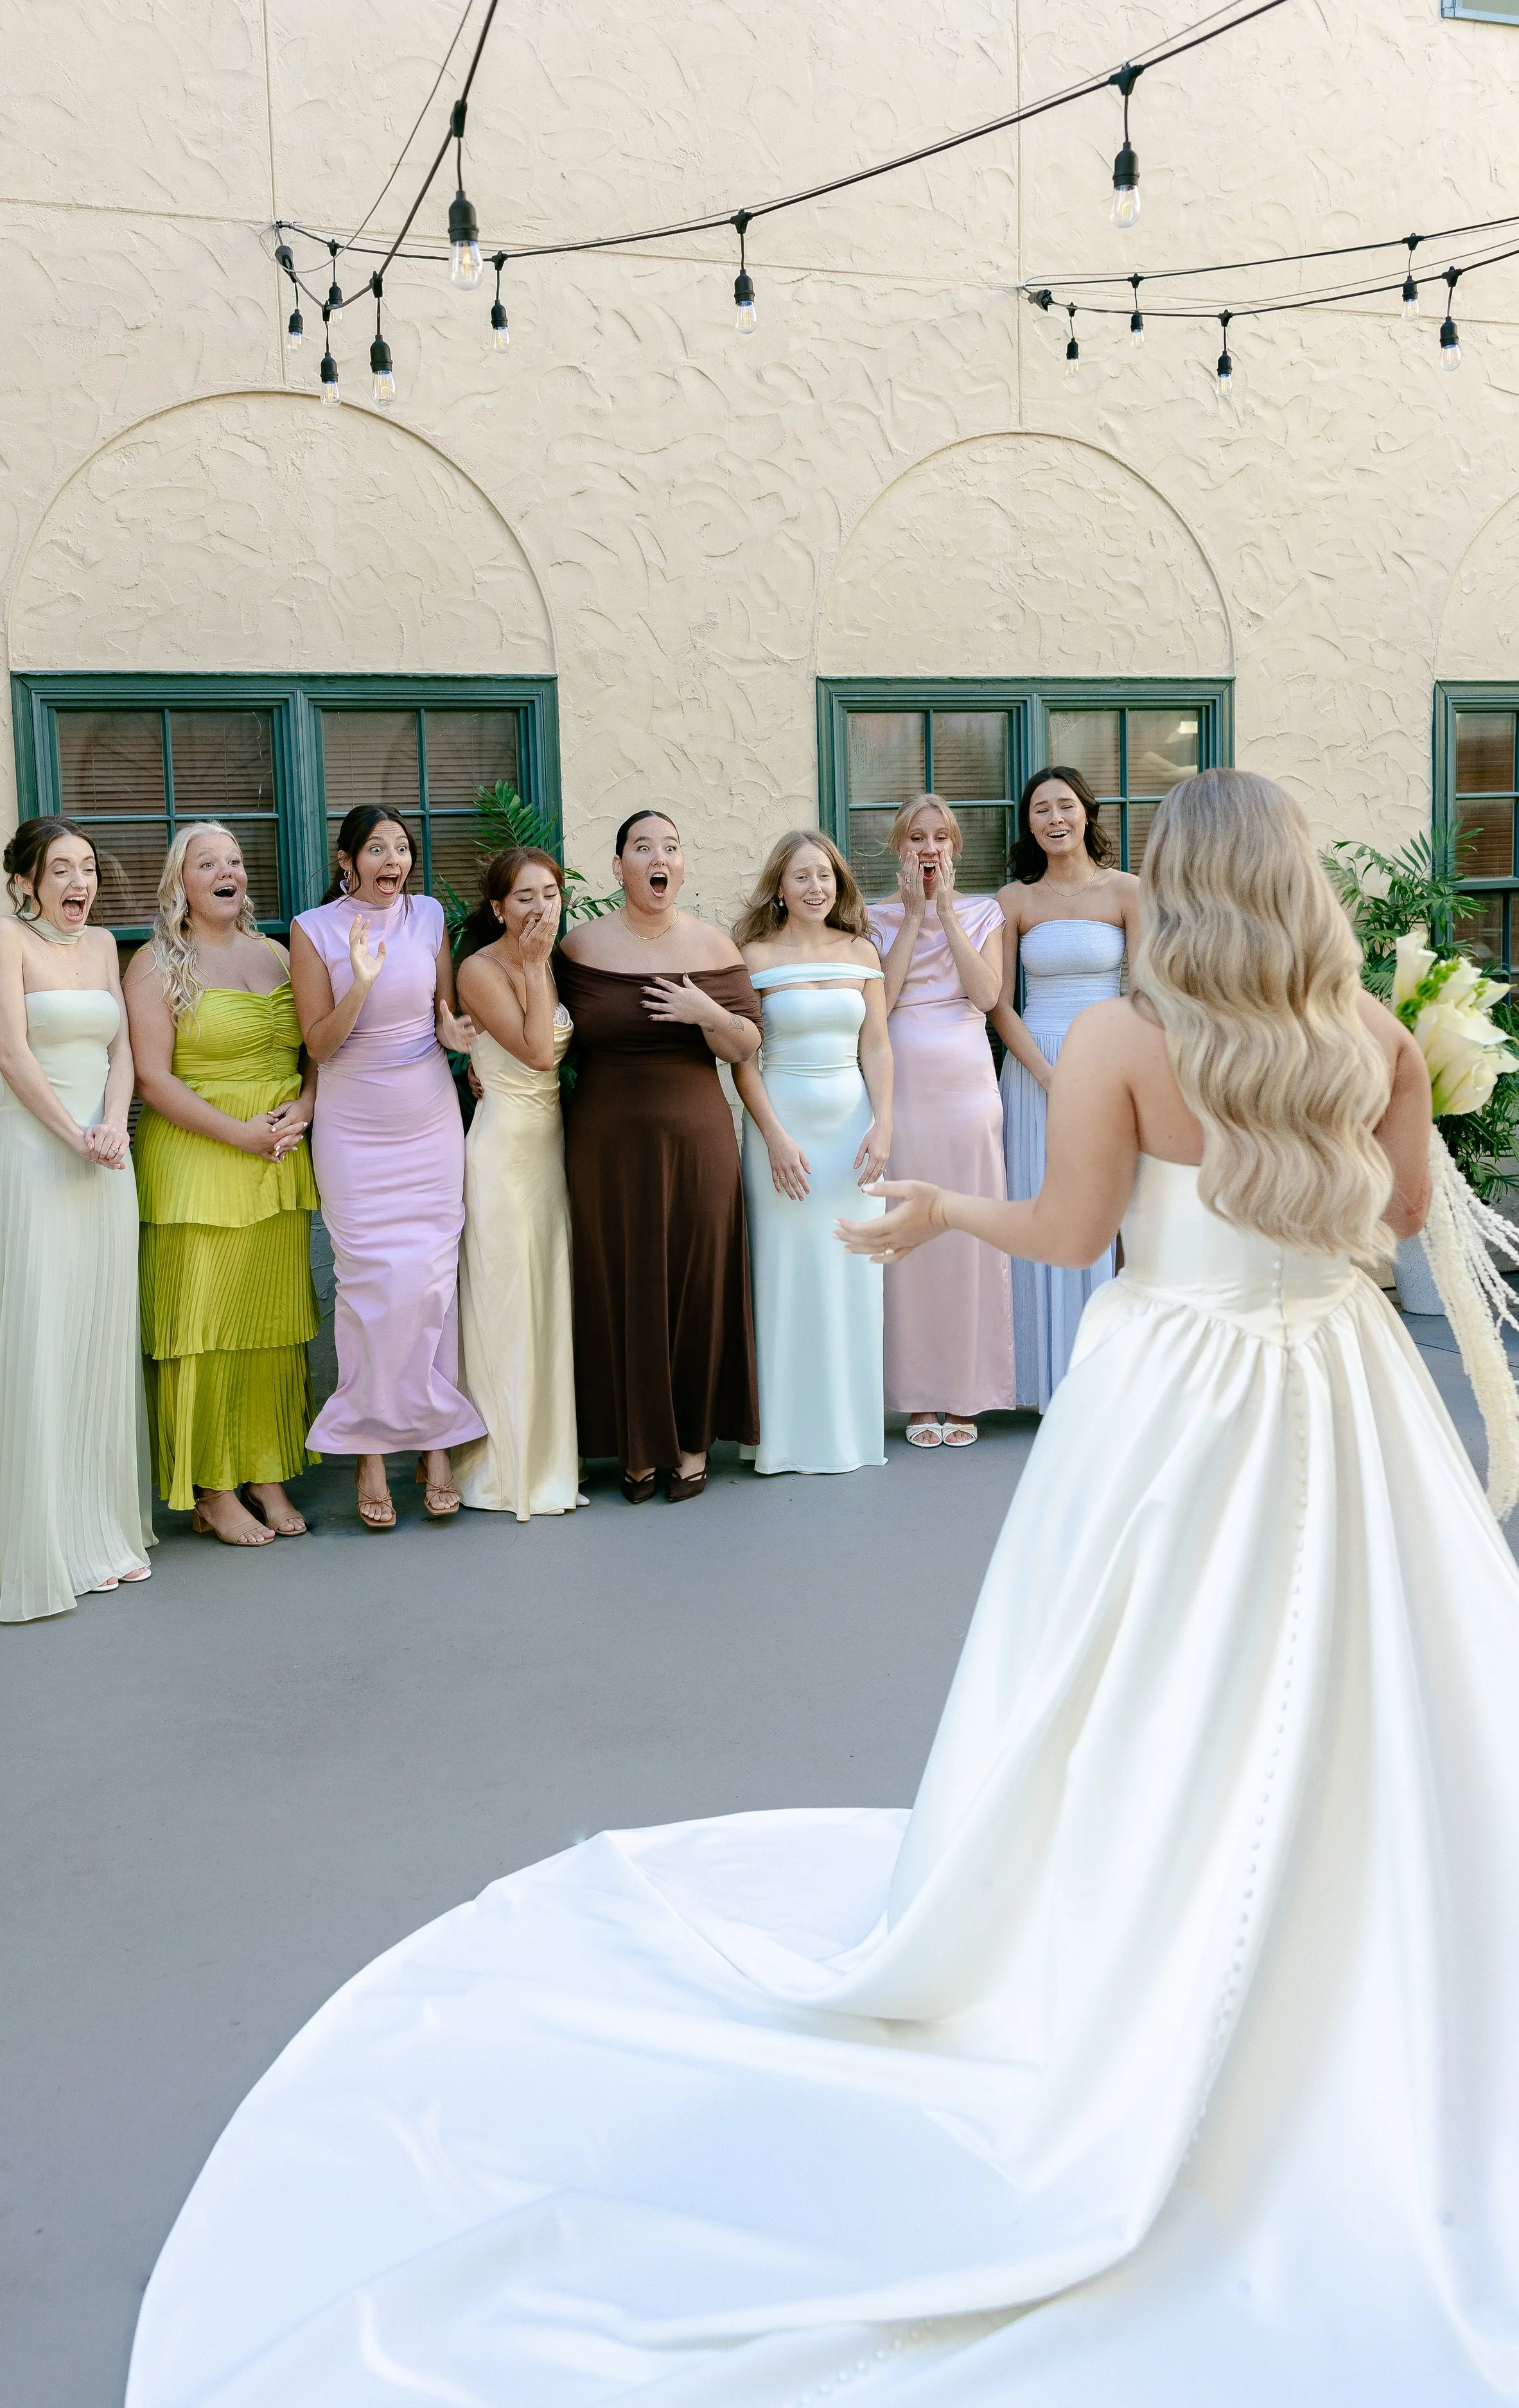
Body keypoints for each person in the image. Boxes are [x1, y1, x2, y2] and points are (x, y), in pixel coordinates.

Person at [132, 771, 1519, 2408]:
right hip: (1342, 1395)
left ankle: (1152, 1922)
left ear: (1186, 891)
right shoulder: (1368, 1037)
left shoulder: (1132, 1048)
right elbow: (1410, 1215)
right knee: (1371, 1668)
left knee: (1147, 1680)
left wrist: (943, 1206)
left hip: (1182, 1401)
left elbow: (1072, 1233)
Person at [0, 818, 152, 1621]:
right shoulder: (1, 937)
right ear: (26, 882)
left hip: (106, 1160)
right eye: (62, 870)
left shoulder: (105, 945)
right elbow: (12, 1054)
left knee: (98, 1338)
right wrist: (73, 1134)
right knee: (45, 1336)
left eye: (88, 869)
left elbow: (124, 1054)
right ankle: (48, 1546)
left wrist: (113, 1126)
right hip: (41, 1157)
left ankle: (103, 1530)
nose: (81, 883)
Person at [556, 810, 762, 1501]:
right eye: (642, 846)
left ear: (681, 866)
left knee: (696, 1282)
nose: (657, 856)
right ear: (618, 867)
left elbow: (744, 1048)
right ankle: (635, 1448)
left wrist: (706, 1013)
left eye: (669, 846)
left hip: (696, 1141)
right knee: (617, 1281)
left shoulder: (713, 946)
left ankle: (690, 1442)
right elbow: (542, 1029)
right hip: (603, 1146)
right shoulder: (580, 949)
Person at [125, 824, 319, 1548]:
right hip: (201, 1159)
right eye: (208, 862)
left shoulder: (275, 954)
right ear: (181, 882)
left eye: (234, 860)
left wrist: (304, 1106)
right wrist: (243, 1135)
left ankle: (266, 1470)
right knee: (205, 1329)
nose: (225, 871)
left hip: (277, 1161)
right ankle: (211, 1486)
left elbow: (315, 1048)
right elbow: (152, 1078)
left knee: (267, 1326)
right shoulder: (154, 966)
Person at [289, 807, 482, 1530]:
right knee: (369, 1285)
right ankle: (369, 1450)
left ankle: (434, 1443)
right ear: (348, 862)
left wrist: (456, 1032)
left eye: (402, 848)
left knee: (431, 1281)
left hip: (428, 1116)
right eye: (377, 849)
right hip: (354, 1126)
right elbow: (319, 1044)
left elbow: (443, 1013)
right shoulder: (313, 931)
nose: (393, 860)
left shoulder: (428, 915)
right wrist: (361, 985)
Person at [732, 830, 892, 1474]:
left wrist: (884, 1125)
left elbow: (876, 1046)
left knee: (852, 1269)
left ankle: (850, 1436)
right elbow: (744, 1058)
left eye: (824, 875)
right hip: (782, 1130)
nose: (815, 887)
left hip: (853, 1132)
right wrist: (771, 1136)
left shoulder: (861, 951)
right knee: (785, 1273)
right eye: (801, 876)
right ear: (779, 886)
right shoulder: (752, 956)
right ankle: (784, 1439)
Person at [992, 765, 1142, 1409]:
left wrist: (1107, 1075)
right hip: (1034, 1070)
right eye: (1040, 811)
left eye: (1064, 806)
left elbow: (1145, 995)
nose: (1054, 819)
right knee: (1039, 1207)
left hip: (1108, 1061)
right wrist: (1050, 1076)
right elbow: (998, 1005)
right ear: (1029, 825)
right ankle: (1038, 1382)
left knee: (1110, 1216)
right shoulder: (1014, 901)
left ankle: (1103, 1380)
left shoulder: (1130, 892)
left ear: (1086, 814)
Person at [866, 794, 1013, 1447]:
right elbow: (886, 998)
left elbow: (986, 997)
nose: (928, 847)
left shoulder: (986, 913)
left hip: (966, 1090)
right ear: (899, 848)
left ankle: (969, 1393)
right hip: (907, 1092)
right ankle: (917, 1394)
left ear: (955, 849)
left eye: (940, 838)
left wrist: (945, 913)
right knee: (910, 1234)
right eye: (915, 837)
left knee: (968, 1232)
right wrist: (912, 917)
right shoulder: (873, 919)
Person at [451, 848, 584, 1521]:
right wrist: (533, 966)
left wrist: (543, 967)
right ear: (498, 907)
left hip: (551, 1154)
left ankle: (549, 1459)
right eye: (525, 896)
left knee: (546, 1299)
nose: (541, 907)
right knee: (505, 1306)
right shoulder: (481, 969)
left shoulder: (557, 963)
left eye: (551, 893)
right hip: (502, 1158)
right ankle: (501, 1470)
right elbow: (536, 1056)